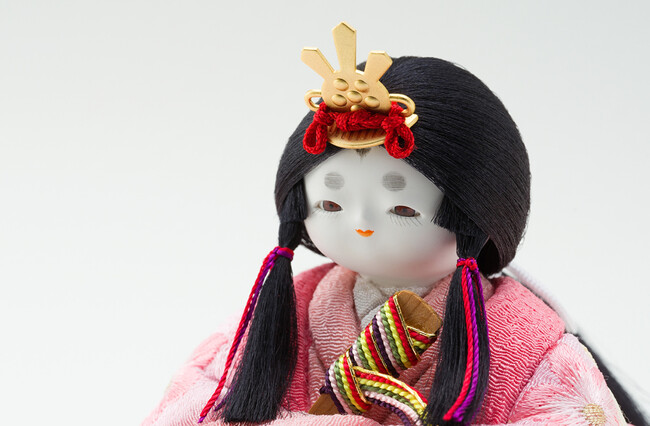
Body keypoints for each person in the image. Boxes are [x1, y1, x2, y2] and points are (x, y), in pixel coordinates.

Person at [143, 22, 645, 426]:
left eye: (403, 210)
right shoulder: (280, 317)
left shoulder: (527, 347)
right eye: (331, 205)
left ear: (477, 214)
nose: (361, 223)